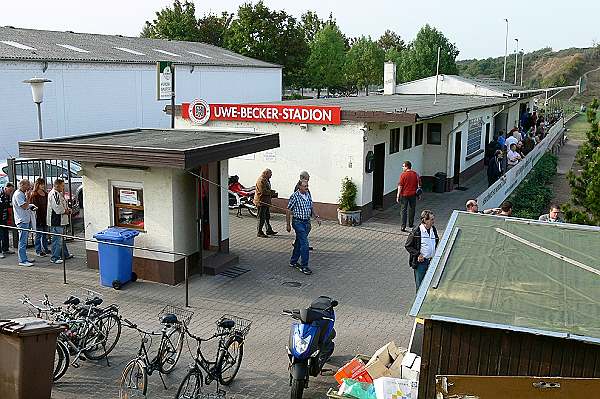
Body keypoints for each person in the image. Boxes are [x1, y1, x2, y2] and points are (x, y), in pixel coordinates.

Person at [286, 179, 320, 275]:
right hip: (298, 222)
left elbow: (311, 206)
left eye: (307, 186)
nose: (307, 188)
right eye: (305, 186)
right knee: (305, 244)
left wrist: (316, 217)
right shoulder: (294, 196)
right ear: (299, 187)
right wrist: (288, 225)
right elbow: (288, 210)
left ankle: (293, 261)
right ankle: (304, 266)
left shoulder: (307, 194)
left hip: (307, 223)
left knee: (299, 242)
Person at [405, 210, 439, 291]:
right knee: (420, 286)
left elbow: (436, 241)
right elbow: (408, 246)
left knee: (430, 285)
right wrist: (418, 254)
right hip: (421, 263)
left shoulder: (433, 229)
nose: (433, 221)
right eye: (431, 219)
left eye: (433, 219)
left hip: (432, 261)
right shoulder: (416, 231)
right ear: (424, 220)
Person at [47, 179, 73, 264]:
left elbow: (62, 205)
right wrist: (67, 211)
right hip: (56, 221)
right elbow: (58, 209)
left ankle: (65, 254)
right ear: (57, 185)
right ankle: (54, 257)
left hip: (60, 220)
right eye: (62, 185)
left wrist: (67, 209)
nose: (63, 187)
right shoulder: (55, 194)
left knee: (61, 239)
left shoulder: (58, 194)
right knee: (57, 240)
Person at [12, 179, 35, 266]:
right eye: (27, 185)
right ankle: (22, 260)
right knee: (22, 240)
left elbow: (26, 205)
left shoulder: (21, 193)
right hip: (22, 220)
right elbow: (24, 206)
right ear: (22, 185)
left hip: (25, 219)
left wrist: (31, 205)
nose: (29, 187)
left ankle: (24, 257)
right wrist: (28, 197)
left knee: (24, 240)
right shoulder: (18, 194)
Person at [292, 171, 314, 251]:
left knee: (306, 229)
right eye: (307, 178)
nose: (308, 180)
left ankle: (301, 242)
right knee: (303, 231)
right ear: (303, 178)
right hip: (300, 216)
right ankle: (303, 244)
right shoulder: (299, 187)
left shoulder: (305, 186)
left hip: (306, 215)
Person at [397, 161, 420, 232]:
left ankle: (403, 226)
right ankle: (410, 224)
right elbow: (419, 185)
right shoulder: (416, 174)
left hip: (404, 195)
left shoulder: (403, 175)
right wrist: (418, 195)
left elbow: (400, 185)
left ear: (407, 167)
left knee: (403, 210)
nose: (402, 167)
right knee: (412, 209)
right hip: (413, 195)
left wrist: (398, 195)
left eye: (403, 166)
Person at [253, 169, 277, 238]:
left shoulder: (266, 179)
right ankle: (259, 232)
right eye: (270, 174)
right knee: (261, 218)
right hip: (261, 202)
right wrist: (272, 192)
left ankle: (269, 230)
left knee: (267, 216)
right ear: (266, 174)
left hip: (266, 202)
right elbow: (263, 191)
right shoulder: (261, 180)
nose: (271, 175)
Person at [29, 178, 49, 257]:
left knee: (45, 234)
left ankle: (45, 248)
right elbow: (33, 207)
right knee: (38, 235)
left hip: (45, 216)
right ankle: (38, 250)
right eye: (41, 184)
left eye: (43, 184)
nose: (43, 186)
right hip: (38, 217)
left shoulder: (45, 193)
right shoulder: (34, 194)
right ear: (37, 185)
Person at [0, 182, 15, 259]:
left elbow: (8, 205)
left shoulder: (7, 195)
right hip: (0, 218)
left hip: (4, 218)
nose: (10, 192)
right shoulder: (1, 194)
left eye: (11, 191)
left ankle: (5, 249)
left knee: (5, 234)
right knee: (0, 235)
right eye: (9, 190)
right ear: (5, 188)